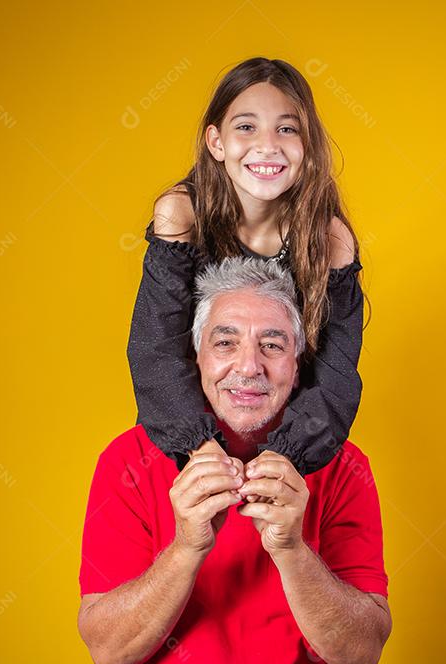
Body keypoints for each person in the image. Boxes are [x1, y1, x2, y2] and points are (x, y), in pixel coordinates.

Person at [80, 257, 390, 664]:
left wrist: (291, 549)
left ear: (298, 364)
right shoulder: (127, 461)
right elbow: (109, 654)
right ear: (196, 356)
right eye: (225, 342)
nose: (249, 365)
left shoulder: (346, 467)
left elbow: (360, 656)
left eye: (273, 344)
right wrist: (187, 547)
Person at [128, 56, 367, 479]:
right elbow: (155, 349)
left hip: (289, 446)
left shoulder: (329, 239)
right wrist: (199, 450)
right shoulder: (180, 215)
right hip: (189, 437)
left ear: (307, 145)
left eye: (287, 129)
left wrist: (286, 457)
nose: (267, 145)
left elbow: (335, 374)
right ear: (216, 142)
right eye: (246, 126)